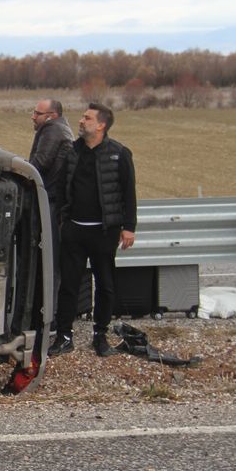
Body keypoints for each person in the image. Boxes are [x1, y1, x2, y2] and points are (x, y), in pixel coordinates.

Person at [49, 102, 137, 358]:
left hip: (104, 232)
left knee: (106, 285)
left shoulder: (118, 154)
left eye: (87, 118)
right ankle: (64, 336)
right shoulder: (71, 152)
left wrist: (128, 227)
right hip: (74, 230)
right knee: (69, 285)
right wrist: (62, 221)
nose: (81, 121)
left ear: (101, 125)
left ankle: (101, 335)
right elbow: (62, 188)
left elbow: (128, 193)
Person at [28, 99, 73, 328]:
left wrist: (22, 175)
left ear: (51, 115)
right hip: (53, 203)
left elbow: (39, 164)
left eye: (37, 113)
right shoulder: (59, 128)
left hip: (51, 204)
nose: (33, 117)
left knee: (48, 263)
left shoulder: (53, 130)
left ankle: (48, 318)